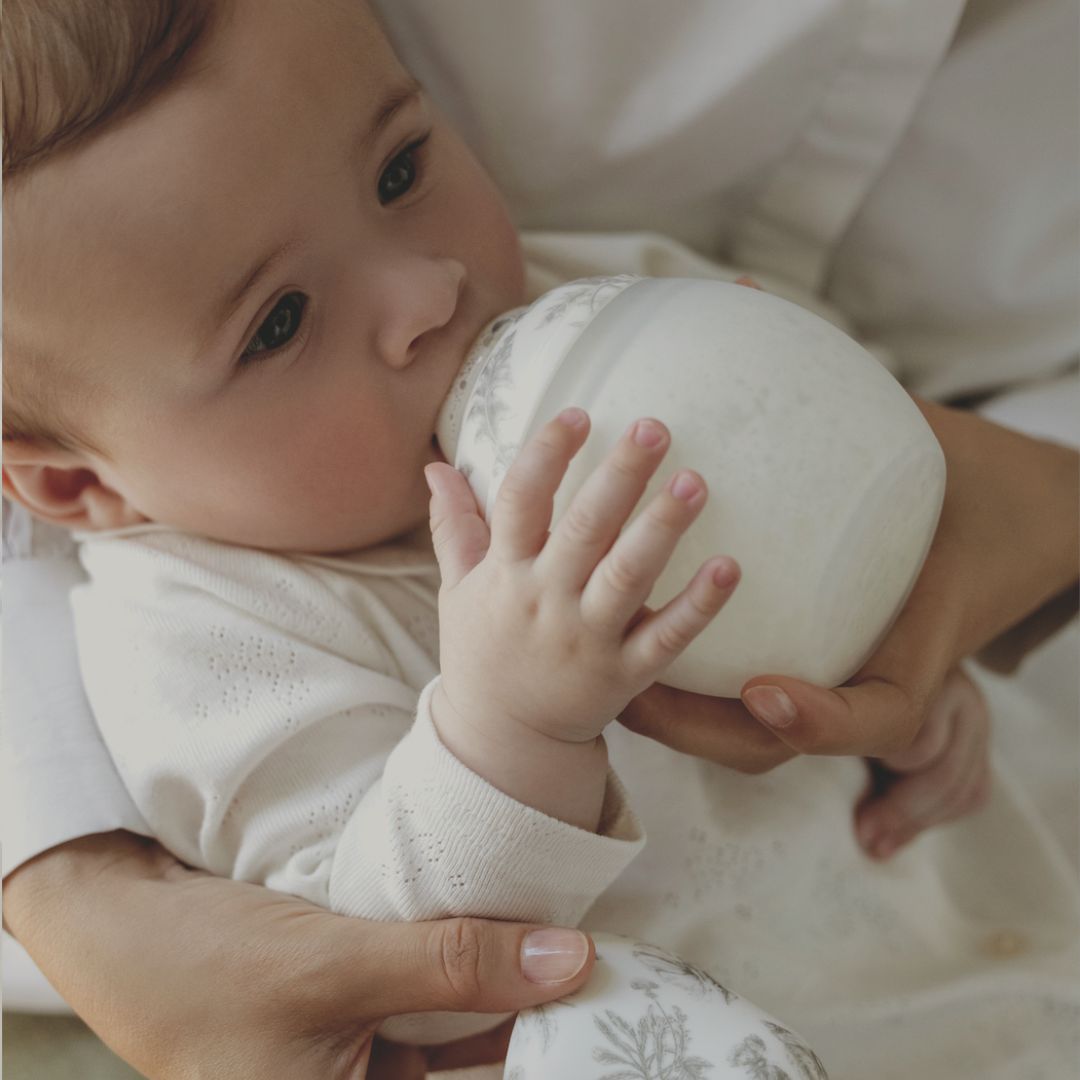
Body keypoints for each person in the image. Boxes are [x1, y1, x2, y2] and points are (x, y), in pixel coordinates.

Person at [3, 0, 1077, 1076]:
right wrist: (511, 725)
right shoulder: (210, 638)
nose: (429, 289)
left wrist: (914, 681)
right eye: (279, 322)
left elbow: (854, 551)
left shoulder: (607, 311)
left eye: (399, 169)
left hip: (967, 933)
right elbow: (389, 977)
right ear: (74, 482)